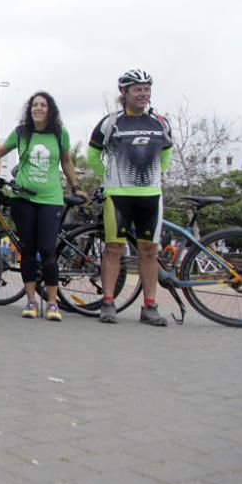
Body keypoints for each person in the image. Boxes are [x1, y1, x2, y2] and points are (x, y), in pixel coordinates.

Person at [0, 91, 87, 321]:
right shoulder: (21, 133)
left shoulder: (59, 133)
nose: (39, 108)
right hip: (23, 198)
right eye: (35, 105)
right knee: (27, 250)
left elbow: (66, 161)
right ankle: (32, 301)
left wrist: (75, 187)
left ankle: (53, 303)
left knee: (47, 249)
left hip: (50, 199)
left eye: (43, 105)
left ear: (50, 109)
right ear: (30, 109)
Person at [87, 69, 173, 326]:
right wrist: (109, 177)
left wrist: (156, 175)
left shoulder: (160, 122)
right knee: (114, 249)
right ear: (124, 93)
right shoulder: (111, 122)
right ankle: (108, 302)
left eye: (147, 89)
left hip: (150, 197)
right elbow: (93, 155)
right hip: (118, 197)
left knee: (149, 251)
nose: (143, 94)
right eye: (138, 89)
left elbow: (167, 152)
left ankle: (149, 307)